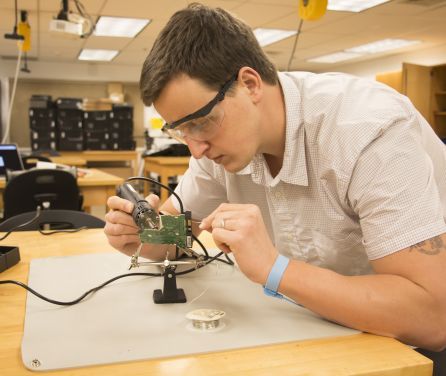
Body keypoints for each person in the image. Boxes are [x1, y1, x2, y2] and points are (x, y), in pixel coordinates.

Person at [104, 3, 446, 352]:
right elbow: (179, 234)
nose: (196, 150)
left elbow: (431, 318)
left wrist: (274, 268)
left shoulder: (367, 131)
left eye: (200, 122)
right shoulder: (219, 147)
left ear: (250, 84)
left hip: (404, 345)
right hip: (314, 328)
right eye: (181, 131)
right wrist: (143, 238)